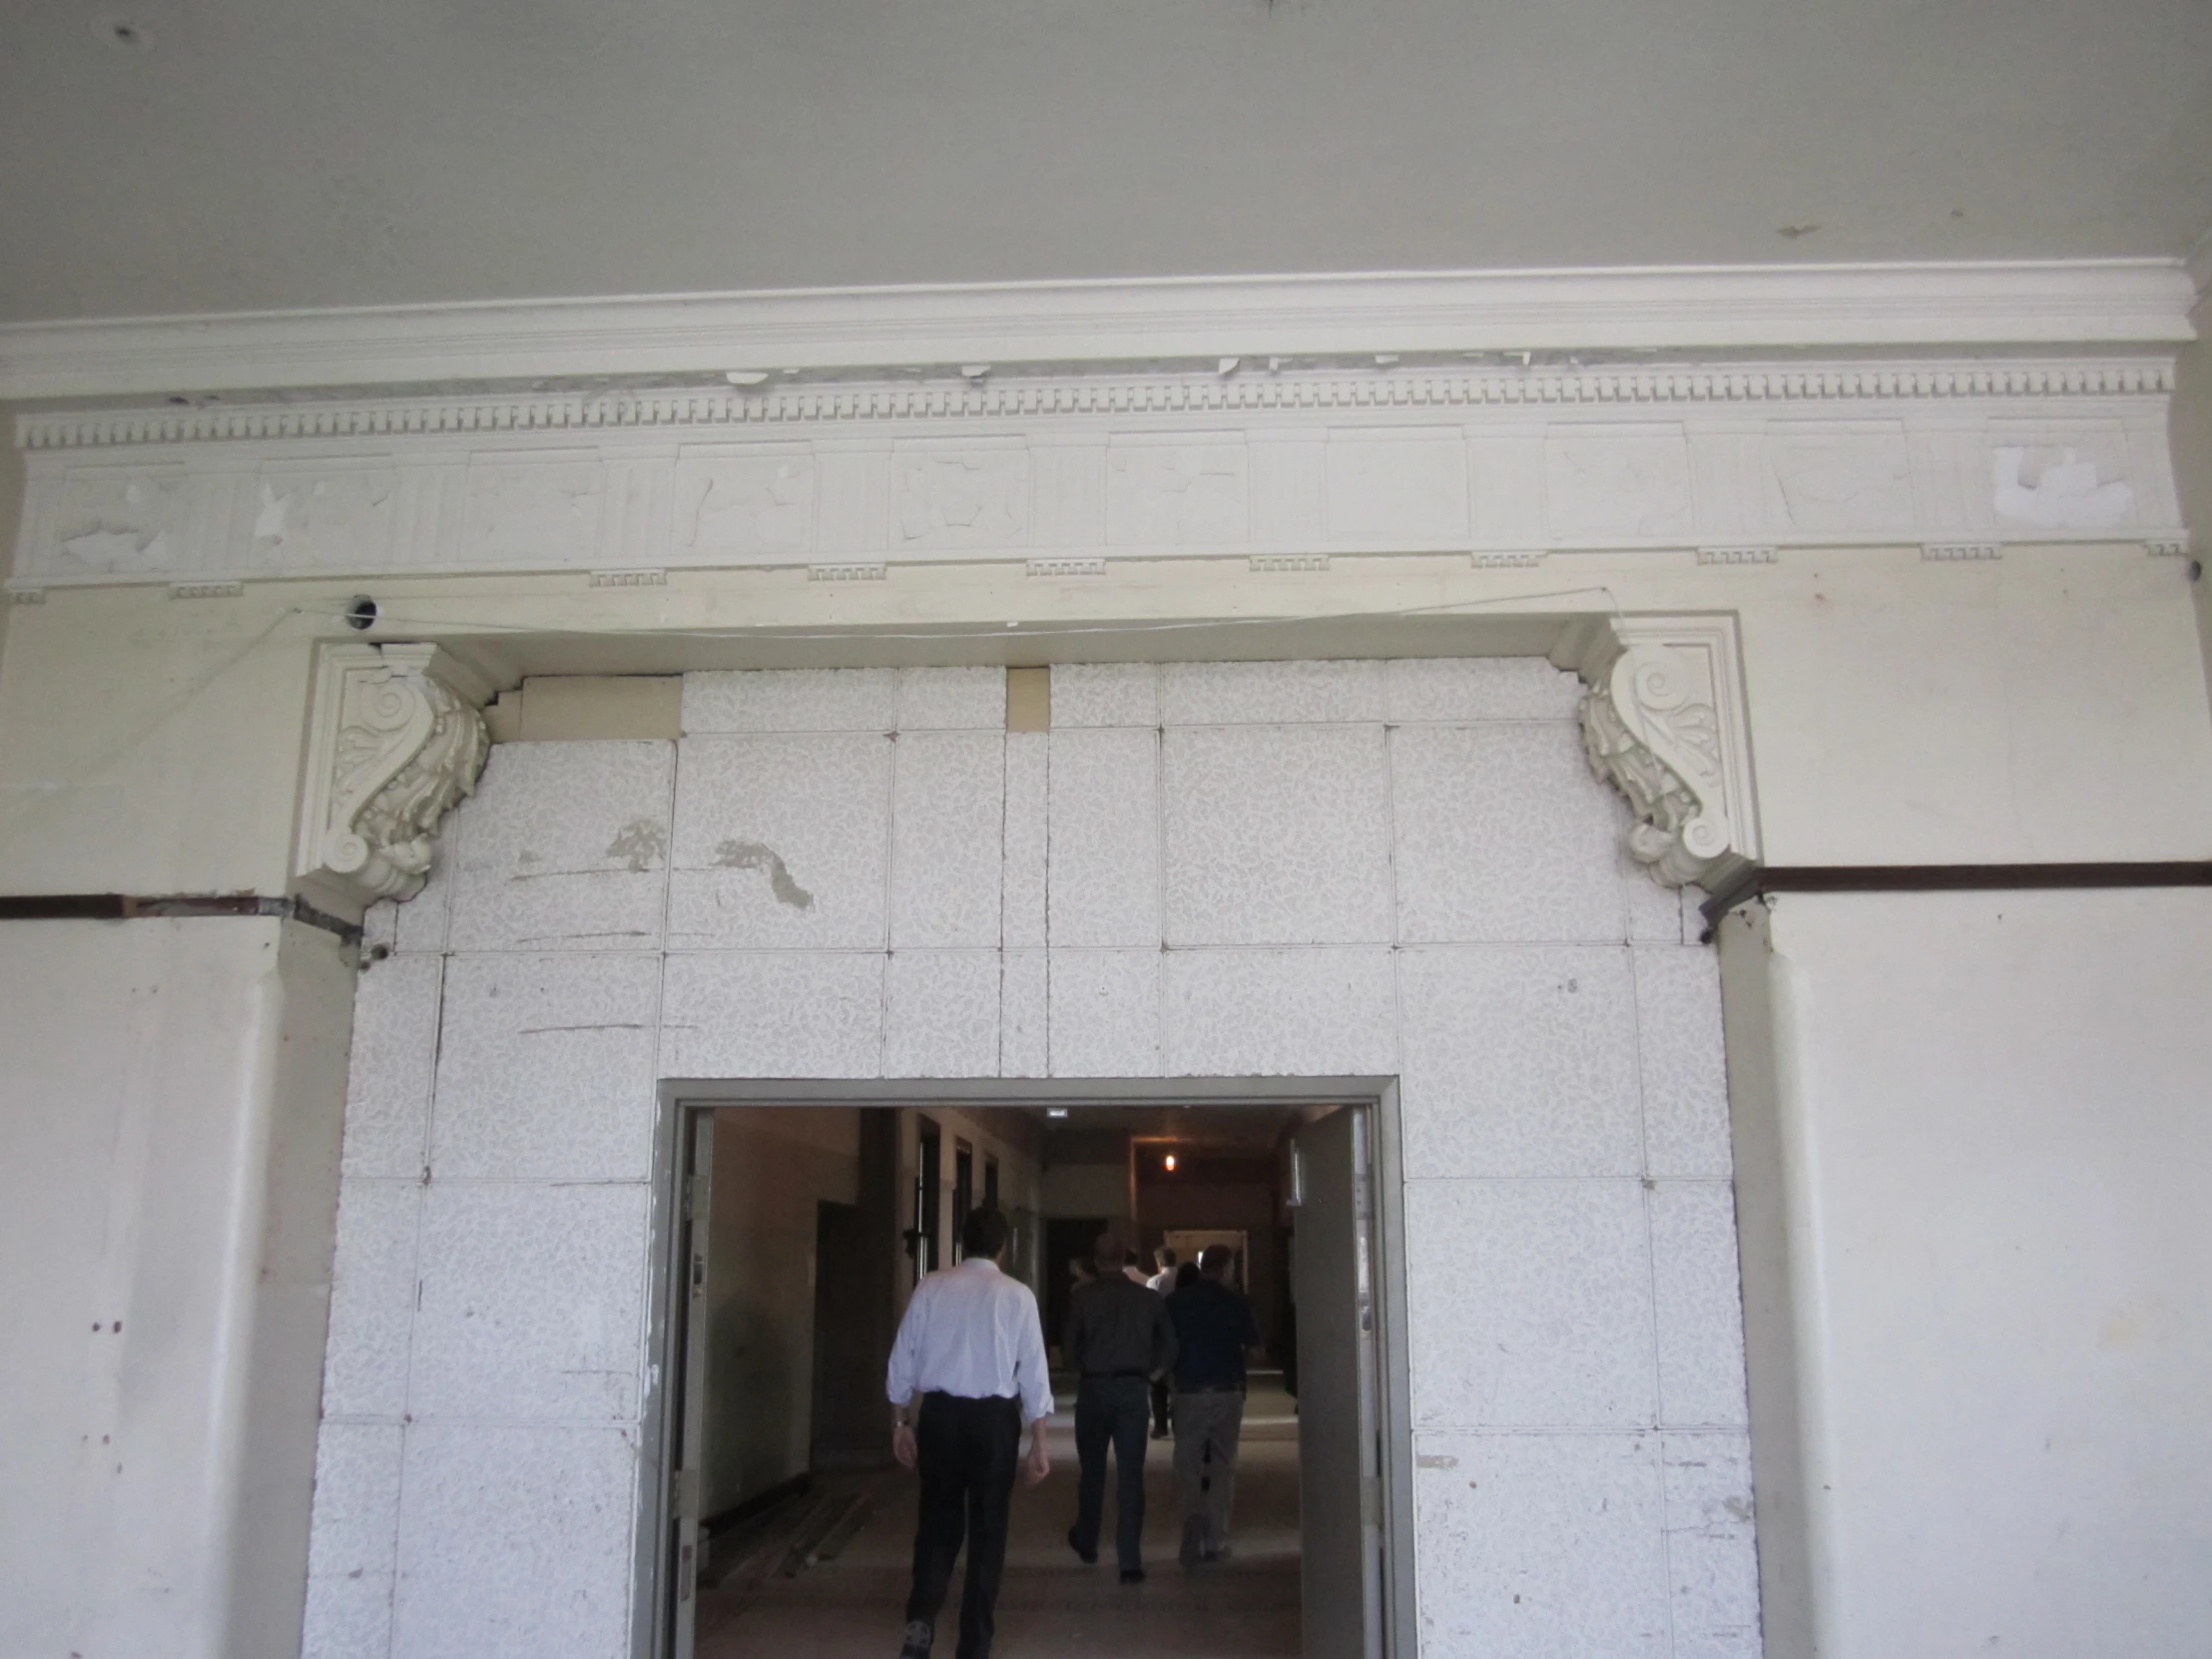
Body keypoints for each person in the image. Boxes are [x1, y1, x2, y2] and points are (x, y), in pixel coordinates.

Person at [885, 1207, 1053, 1659]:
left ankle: (920, 1625)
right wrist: (1039, 1440)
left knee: (937, 1525)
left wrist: (901, 1421)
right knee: (988, 1529)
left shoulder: (931, 1286)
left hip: (939, 1417)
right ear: (1005, 1247)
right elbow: (1033, 1372)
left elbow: (903, 1357)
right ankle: (975, 1642)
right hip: (994, 1421)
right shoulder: (1017, 1296)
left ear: (962, 1243)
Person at [1062, 1230, 1177, 1583]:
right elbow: (1170, 1345)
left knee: (1092, 1471)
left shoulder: (1083, 1299)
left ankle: (1087, 1542)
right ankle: (1129, 1559)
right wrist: (1152, 1375)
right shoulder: (1147, 1299)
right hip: (1132, 1390)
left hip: (1095, 1389)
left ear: (1096, 1261)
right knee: (1131, 1476)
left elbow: (1068, 1352)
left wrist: (1087, 1368)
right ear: (1126, 1258)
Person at [1165, 1245, 1261, 1568]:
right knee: (1223, 1465)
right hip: (1226, 1390)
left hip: (1189, 1391)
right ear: (1227, 1268)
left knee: (1187, 1463)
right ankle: (1216, 1540)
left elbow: (1165, 1347)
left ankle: (1191, 1521)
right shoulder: (1235, 1303)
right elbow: (1254, 1347)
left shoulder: (1176, 1303)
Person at [1145, 1248, 1179, 1438]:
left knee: (1157, 1384)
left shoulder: (1155, 1281)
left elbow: (1150, 1310)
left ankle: (1160, 1426)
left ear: (1159, 1262)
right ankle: (1178, 1422)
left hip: (1159, 1338)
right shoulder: (1183, 1280)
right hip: (1181, 1335)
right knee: (1178, 1384)